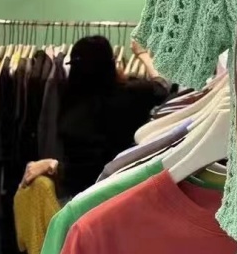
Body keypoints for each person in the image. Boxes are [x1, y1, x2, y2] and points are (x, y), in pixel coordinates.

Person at [22, 36, 170, 197]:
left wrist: (52, 165)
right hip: (126, 192)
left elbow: (86, 168)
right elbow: (162, 86)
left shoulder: (73, 108)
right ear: (111, 65)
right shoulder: (133, 94)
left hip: (84, 198)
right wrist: (143, 55)